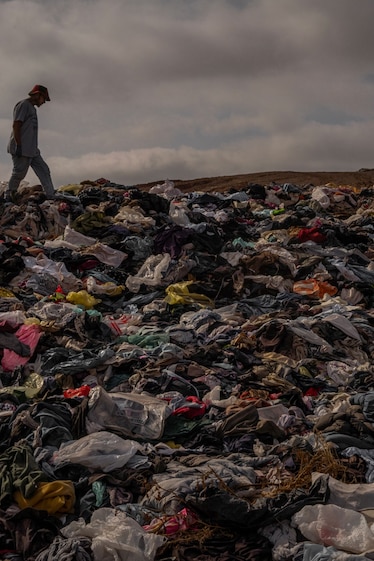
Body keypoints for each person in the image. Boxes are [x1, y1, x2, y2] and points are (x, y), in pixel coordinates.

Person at [4, 84, 55, 202]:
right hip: (22, 148)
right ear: (37, 95)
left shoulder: (32, 108)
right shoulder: (23, 105)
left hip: (32, 149)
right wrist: (19, 145)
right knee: (19, 173)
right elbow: (16, 124)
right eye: (43, 98)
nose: (44, 102)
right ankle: (9, 195)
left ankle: (51, 195)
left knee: (44, 170)